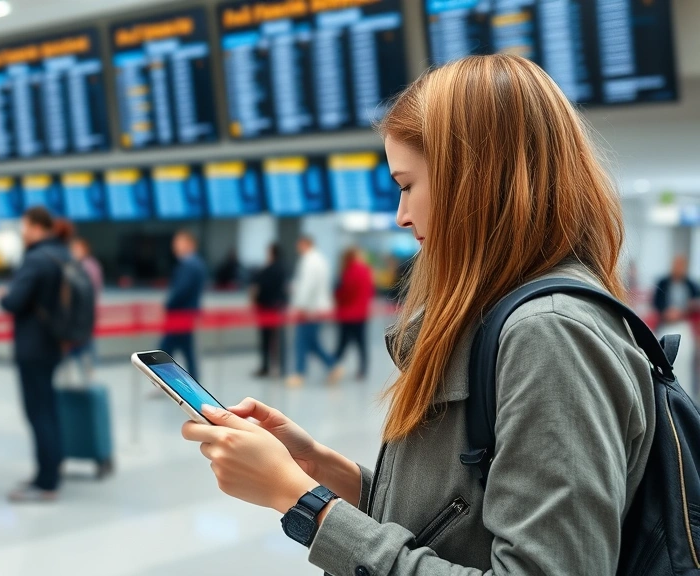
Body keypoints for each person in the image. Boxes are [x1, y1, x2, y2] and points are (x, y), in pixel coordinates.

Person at [181, 55, 654, 575]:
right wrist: (321, 468)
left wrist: (306, 507)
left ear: (474, 181)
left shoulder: (549, 334)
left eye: (407, 185)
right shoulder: (512, 317)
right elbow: (460, 523)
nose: (402, 215)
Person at [0, 206, 70, 502]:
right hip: (54, 343)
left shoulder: (36, 258)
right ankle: (52, 467)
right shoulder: (62, 255)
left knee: (37, 412)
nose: (22, 232)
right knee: (49, 409)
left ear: (37, 228)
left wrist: (3, 295)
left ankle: (45, 481)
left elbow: (14, 301)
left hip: (33, 346)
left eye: (25, 227)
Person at [286, 236, 341, 388]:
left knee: (301, 342)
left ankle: (299, 373)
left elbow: (308, 286)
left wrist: (300, 306)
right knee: (312, 342)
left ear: (305, 244)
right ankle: (333, 366)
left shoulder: (309, 261)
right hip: (317, 308)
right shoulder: (320, 259)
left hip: (310, 309)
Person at [159, 230, 207, 377]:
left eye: (178, 243)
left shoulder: (188, 265)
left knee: (164, 350)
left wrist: (168, 304)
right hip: (187, 314)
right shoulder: (197, 263)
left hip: (180, 314)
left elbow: (181, 290)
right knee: (186, 349)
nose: (175, 246)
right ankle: (193, 380)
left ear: (189, 244)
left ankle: (163, 380)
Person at [653, 255, 699, 392]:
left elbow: (695, 304)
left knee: (684, 359)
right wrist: (667, 313)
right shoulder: (663, 283)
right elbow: (657, 303)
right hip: (666, 324)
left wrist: (683, 310)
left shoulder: (691, 285)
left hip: (684, 325)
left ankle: (684, 391)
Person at [334, 247, 376, 380]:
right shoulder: (366, 270)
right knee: (361, 343)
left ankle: (333, 368)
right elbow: (370, 291)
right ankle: (363, 369)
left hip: (348, 314)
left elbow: (345, 292)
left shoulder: (350, 271)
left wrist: (337, 297)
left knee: (342, 344)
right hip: (361, 313)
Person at [250, 244, 288, 378]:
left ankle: (266, 367)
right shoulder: (283, 269)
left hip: (266, 309)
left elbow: (257, 287)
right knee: (278, 340)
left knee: (266, 340)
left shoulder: (267, 270)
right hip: (278, 308)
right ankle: (281, 368)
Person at [69, 236, 103, 380]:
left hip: (85, 314)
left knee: (86, 346)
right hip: (81, 315)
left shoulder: (88, 266)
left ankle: (89, 377)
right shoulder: (79, 265)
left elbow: (88, 292)